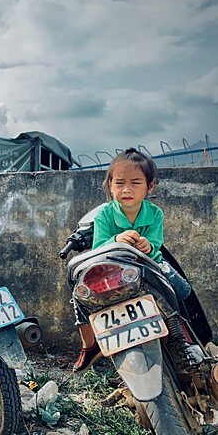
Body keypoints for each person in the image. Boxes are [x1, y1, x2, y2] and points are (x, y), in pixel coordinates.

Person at [73, 147, 192, 372]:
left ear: (150, 186)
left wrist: (148, 245)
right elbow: (99, 247)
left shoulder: (155, 213)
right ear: (110, 185)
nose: (127, 189)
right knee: (80, 297)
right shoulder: (104, 215)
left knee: (181, 291)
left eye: (136, 182)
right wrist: (117, 239)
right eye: (119, 183)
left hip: (151, 264)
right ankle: (89, 345)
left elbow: (156, 243)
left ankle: (181, 334)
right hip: (114, 270)